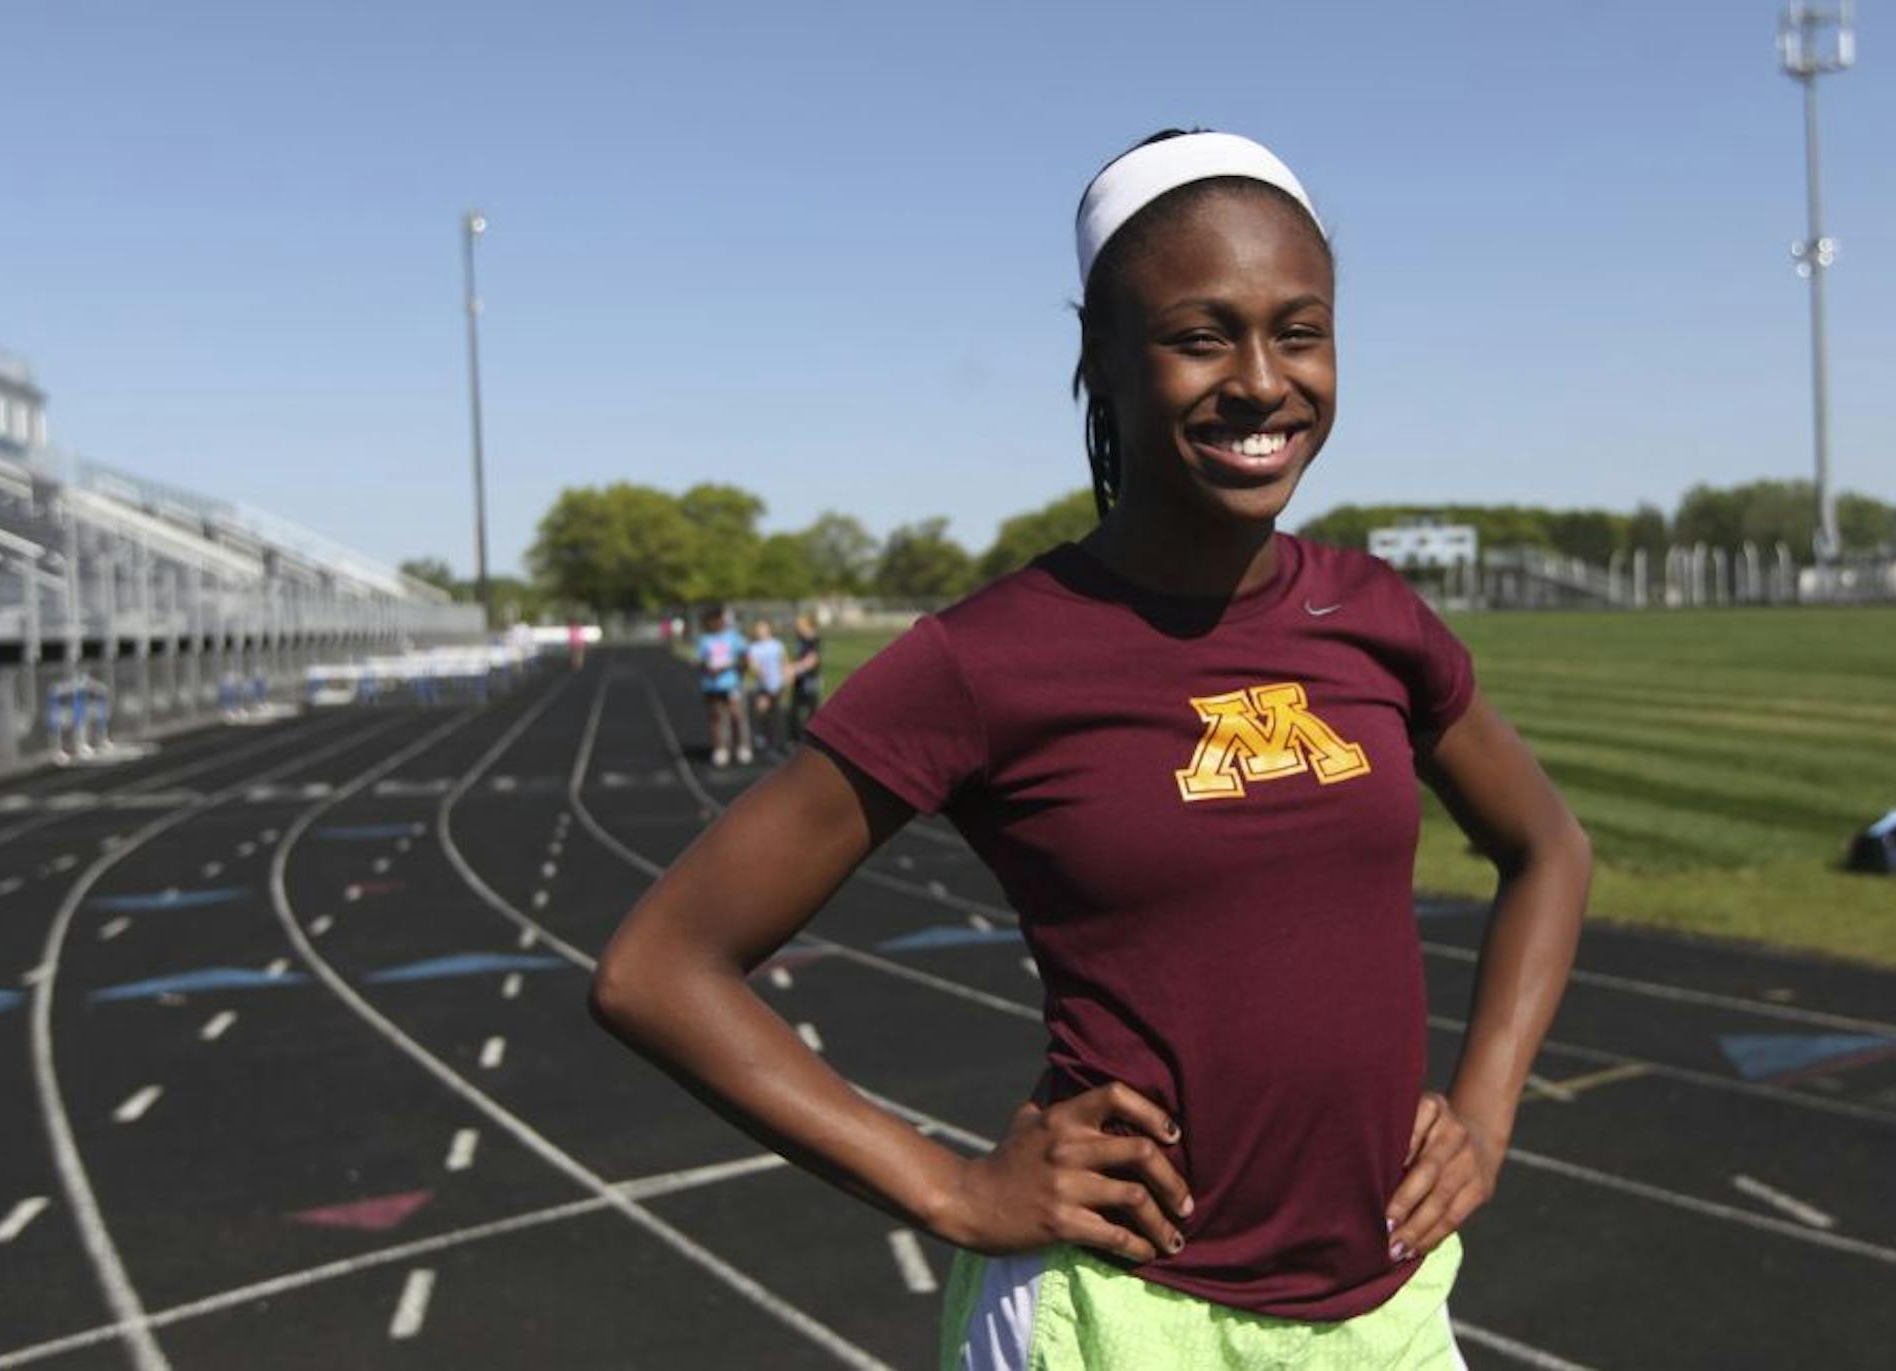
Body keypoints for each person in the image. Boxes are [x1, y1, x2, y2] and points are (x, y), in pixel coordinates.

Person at [593, 130, 1589, 1368]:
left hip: (1384, 1319)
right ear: (1101, 363)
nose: (1264, 380)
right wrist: (950, 1190)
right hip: (1114, 1321)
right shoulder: (988, 657)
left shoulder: (1373, 612)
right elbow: (659, 969)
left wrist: (1486, 1116)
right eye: (1199, 335)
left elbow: (1548, 846)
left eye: (1301, 329)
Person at [693, 606, 751, 766]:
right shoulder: (705, 640)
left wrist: (735, 669)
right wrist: (708, 668)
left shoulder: (733, 637)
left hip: (731, 683)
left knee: (736, 714)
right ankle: (720, 748)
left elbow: (744, 657)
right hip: (712, 685)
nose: (714, 624)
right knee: (716, 717)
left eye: (717, 620)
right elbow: (700, 661)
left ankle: (741, 746)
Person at [744, 618, 790, 755]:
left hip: (776, 683)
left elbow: (784, 661)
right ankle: (762, 736)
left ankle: (776, 741)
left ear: (768, 630)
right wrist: (758, 671)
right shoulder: (754, 647)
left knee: (776, 712)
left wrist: (786, 675)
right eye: (758, 629)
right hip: (762, 685)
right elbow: (751, 664)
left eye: (763, 628)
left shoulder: (777, 645)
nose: (761, 632)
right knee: (762, 711)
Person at [786, 611, 823, 747]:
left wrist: (795, 669)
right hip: (799, 680)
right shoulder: (799, 639)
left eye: (799, 623)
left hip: (810, 681)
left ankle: (812, 742)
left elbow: (812, 660)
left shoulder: (813, 640)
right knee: (794, 710)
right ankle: (795, 739)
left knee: (811, 711)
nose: (797, 626)